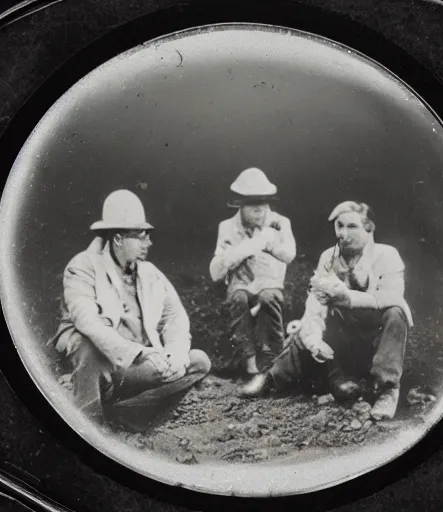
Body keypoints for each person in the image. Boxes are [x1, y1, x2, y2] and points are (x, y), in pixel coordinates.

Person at [51, 189, 211, 432]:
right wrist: (140, 353)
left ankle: (128, 417)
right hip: (102, 366)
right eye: (141, 236)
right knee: (87, 345)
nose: (149, 243)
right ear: (118, 239)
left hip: (136, 369)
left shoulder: (150, 273)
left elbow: (175, 317)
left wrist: (174, 354)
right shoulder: (83, 266)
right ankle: (90, 427)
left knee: (198, 361)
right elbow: (88, 321)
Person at [241, 201, 413, 421]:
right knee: (306, 327)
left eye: (351, 226)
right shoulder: (329, 258)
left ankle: (387, 389)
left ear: (369, 228)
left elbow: (391, 296)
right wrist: (314, 340)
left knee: (396, 313)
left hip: (376, 342)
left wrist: (347, 298)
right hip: (342, 343)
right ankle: (273, 378)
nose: (342, 233)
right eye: (339, 226)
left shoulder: (387, 255)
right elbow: (314, 305)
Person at [209, 167, 296, 381]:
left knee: (268, 297)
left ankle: (274, 356)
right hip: (242, 280)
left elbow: (289, 254)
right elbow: (216, 271)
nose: (259, 210)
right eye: (252, 204)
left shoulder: (279, 222)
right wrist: (240, 251)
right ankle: (248, 361)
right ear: (240, 204)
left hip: (269, 279)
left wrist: (270, 244)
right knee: (238, 298)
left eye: (263, 203)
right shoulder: (228, 227)